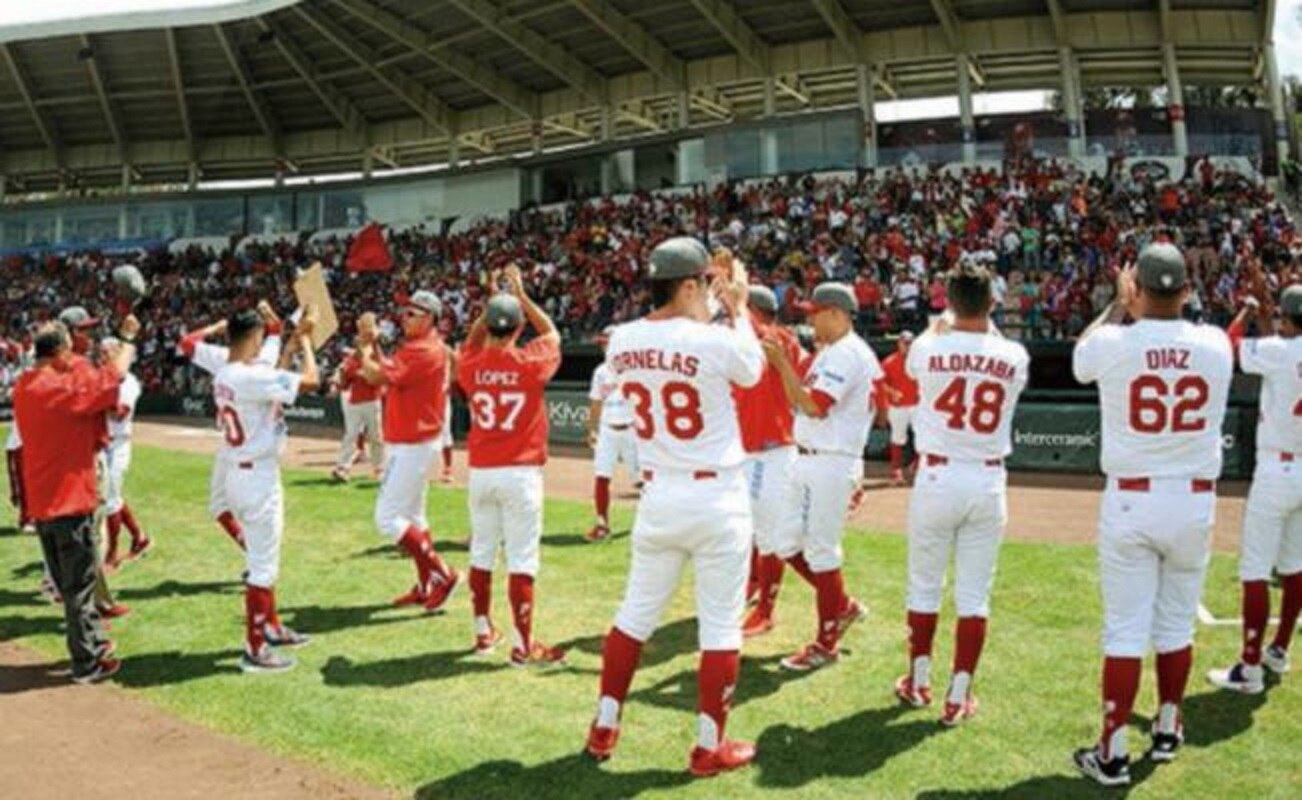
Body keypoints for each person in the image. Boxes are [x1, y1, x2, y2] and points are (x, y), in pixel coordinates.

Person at [584, 238, 764, 777]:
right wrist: (740, 306)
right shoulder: (712, 339)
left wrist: (717, 305)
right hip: (716, 496)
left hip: (660, 493)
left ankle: (605, 724)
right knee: (719, 628)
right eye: (703, 284)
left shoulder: (621, 342)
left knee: (634, 617)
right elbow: (752, 370)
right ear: (687, 285)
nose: (710, 292)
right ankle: (709, 747)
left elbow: (665, 340)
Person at [1070, 242, 1233, 785]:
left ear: (1135, 288)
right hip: (1193, 499)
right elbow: (1185, 335)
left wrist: (1120, 306)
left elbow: (1081, 360)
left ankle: (1112, 753)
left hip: (1132, 499)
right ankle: (1167, 726)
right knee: (1175, 622)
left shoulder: (1113, 339)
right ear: (1187, 290)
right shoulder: (1214, 343)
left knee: (1124, 629)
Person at [893, 265, 1029, 726]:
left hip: (937, 475)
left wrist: (945, 320)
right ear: (992, 302)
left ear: (948, 301)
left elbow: (924, 350)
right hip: (988, 478)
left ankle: (918, 679)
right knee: (975, 596)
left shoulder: (929, 346)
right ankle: (959, 693)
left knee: (924, 585)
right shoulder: (1014, 354)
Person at [764, 282, 883, 672]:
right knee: (784, 542)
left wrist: (782, 365)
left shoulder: (847, 354)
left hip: (832, 460)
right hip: (812, 457)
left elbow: (815, 406)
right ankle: (842, 605)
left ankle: (825, 643)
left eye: (815, 313)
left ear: (837, 313)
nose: (810, 319)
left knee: (822, 550)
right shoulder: (833, 351)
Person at [14, 316, 137, 684]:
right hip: (70, 502)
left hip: (43, 504)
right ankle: (87, 661)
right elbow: (112, 379)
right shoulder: (61, 388)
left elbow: (88, 380)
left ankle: (92, 646)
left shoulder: (24, 385)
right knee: (79, 588)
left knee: (71, 587)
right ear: (60, 351)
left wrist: (84, 360)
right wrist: (128, 337)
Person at [458, 265, 565, 666]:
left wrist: (491, 309)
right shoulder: (530, 361)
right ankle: (523, 645)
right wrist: (522, 298)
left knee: (483, 552)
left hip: (482, 471)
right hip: (520, 472)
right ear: (519, 327)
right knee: (522, 558)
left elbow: (470, 345)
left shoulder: (470, 365)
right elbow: (551, 332)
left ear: (488, 325)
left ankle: (483, 632)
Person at [1207, 285, 1302, 693]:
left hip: (1277, 468)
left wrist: (1244, 314)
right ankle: (1279, 649)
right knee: (1295, 565)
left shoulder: (1280, 351)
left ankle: (1249, 668)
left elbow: (1228, 348)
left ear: (1286, 317)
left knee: (1255, 571)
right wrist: (1266, 320)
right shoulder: (1282, 348)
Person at [213, 307, 319, 673]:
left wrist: (288, 346)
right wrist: (305, 340)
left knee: (261, 560)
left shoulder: (228, 373)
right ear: (253, 338)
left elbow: (270, 377)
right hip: (256, 476)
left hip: (242, 472)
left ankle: (271, 627)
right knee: (262, 567)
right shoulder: (248, 377)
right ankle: (255, 649)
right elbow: (311, 380)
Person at [358, 290, 458, 612]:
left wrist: (363, 345)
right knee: (415, 516)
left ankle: (443, 573)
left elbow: (374, 375)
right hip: (419, 442)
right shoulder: (426, 347)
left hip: (412, 444)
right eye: (405, 311)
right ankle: (425, 584)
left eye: (413, 313)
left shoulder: (423, 349)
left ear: (430, 317)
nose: (405, 316)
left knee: (387, 519)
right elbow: (389, 368)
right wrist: (373, 345)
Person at [179, 302, 285, 552]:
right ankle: (252, 550)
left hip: (240, 446)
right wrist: (272, 319)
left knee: (227, 506)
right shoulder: (265, 358)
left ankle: (254, 553)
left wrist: (214, 328)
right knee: (227, 507)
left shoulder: (223, 359)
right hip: (255, 444)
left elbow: (186, 343)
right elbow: (276, 332)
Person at [734, 285, 806, 638]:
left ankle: (767, 611)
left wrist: (735, 301)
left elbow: (756, 333)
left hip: (771, 450)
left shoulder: (775, 337)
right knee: (749, 529)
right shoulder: (750, 338)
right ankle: (752, 587)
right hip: (750, 450)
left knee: (772, 537)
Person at [585, 325, 639, 543]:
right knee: (601, 476)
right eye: (603, 343)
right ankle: (602, 524)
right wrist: (592, 428)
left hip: (632, 429)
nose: (604, 346)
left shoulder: (634, 368)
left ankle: (651, 524)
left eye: (607, 342)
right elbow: (596, 402)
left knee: (644, 481)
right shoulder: (600, 371)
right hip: (608, 430)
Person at [101, 338, 149, 569]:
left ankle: (111, 554)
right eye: (101, 352)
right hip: (101, 443)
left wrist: (98, 400)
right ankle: (140, 537)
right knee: (111, 495)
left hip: (118, 444)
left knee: (111, 499)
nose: (102, 357)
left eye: (108, 352)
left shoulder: (128, 381)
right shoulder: (101, 377)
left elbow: (119, 413)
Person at [330, 339, 384, 483]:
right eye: (359, 345)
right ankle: (342, 468)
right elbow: (345, 380)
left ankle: (379, 469)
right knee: (351, 435)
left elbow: (380, 377)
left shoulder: (375, 357)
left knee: (376, 436)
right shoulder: (351, 361)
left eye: (363, 345)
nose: (360, 348)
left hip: (373, 401)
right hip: (354, 402)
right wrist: (337, 385)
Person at [879, 331, 920, 485]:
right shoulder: (890, 361)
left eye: (910, 343)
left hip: (917, 404)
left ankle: (917, 465)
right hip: (898, 406)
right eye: (905, 343)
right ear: (899, 344)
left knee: (923, 436)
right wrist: (891, 392)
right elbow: (880, 382)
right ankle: (896, 470)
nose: (907, 346)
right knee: (898, 438)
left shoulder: (919, 361)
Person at [438, 343, 457, 484]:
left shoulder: (445, 349)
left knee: (445, 433)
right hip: (424, 398)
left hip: (441, 397)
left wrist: (451, 380)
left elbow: (456, 361)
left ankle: (448, 468)